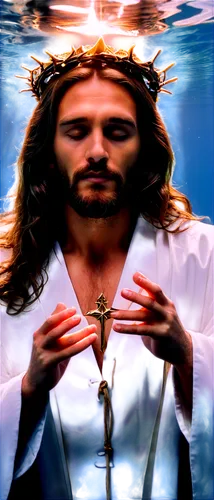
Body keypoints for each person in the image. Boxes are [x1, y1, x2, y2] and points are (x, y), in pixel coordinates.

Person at [0, 37, 213, 500]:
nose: (97, 151)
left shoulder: (204, 255)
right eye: (76, 131)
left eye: (118, 131)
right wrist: (29, 389)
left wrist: (189, 353)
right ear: (48, 146)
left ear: (145, 146)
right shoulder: (3, 265)